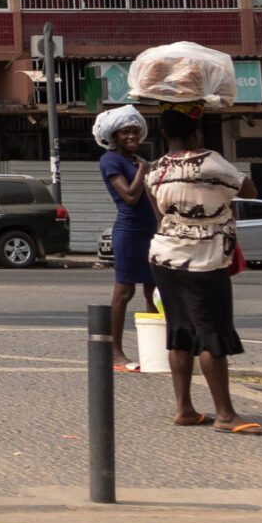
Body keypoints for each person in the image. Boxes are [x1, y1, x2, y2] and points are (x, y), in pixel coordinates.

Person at [145, 104, 262, 433]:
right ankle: (225, 415)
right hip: (204, 259)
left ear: (165, 134)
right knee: (212, 334)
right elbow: (250, 190)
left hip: (165, 256)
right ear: (196, 132)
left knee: (180, 332)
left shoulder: (155, 169)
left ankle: (184, 408)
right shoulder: (211, 161)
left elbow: (159, 214)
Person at [96, 104, 152, 372]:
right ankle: (115, 351)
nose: (131, 136)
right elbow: (130, 196)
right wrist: (144, 170)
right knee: (124, 291)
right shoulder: (111, 160)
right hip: (129, 231)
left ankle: (158, 348)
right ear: (114, 136)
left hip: (152, 231)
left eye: (135, 131)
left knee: (155, 291)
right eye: (125, 132)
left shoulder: (136, 160)